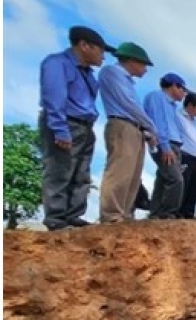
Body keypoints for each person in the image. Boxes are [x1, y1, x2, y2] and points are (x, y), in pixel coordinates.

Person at [38, 26, 115, 231]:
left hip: (85, 125)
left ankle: (73, 215)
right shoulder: (58, 64)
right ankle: (56, 218)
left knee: (81, 173)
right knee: (60, 170)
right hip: (66, 122)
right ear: (84, 45)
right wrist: (59, 128)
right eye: (100, 50)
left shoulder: (88, 74)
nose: (103, 57)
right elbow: (54, 98)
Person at [97, 41, 158, 223]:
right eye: (144, 64)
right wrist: (151, 125)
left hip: (136, 128)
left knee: (132, 176)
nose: (145, 70)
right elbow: (128, 104)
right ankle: (111, 215)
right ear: (132, 61)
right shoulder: (112, 73)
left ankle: (124, 214)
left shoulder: (127, 81)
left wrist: (146, 130)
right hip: (123, 125)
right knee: (119, 172)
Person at [143, 72, 188, 219]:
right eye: (183, 89)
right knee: (176, 179)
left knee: (163, 179)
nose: (184, 93)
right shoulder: (157, 97)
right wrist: (165, 146)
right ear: (174, 85)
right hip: (165, 144)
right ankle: (167, 213)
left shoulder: (172, 106)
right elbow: (158, 123)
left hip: (174, 144)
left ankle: (155, 213)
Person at [176, 92, 196, 219]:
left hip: (195, 159)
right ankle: (178, 212)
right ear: (190, 105)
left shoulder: (193, 123)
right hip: (184, 155)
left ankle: (188, 214)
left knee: (193, 188)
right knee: (183, 184)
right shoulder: (178, 117)